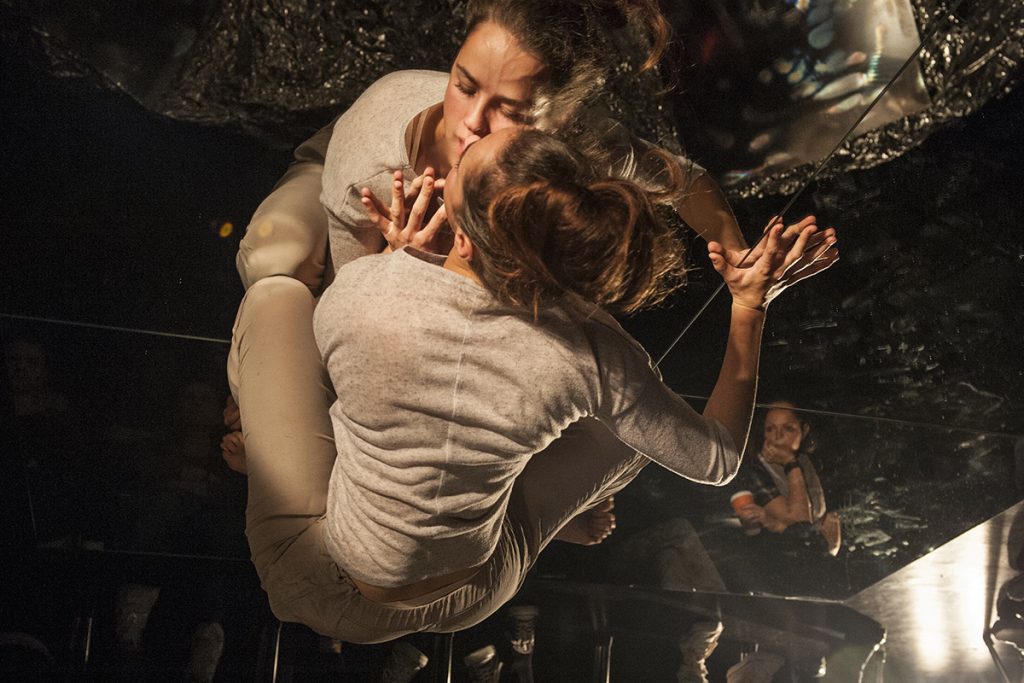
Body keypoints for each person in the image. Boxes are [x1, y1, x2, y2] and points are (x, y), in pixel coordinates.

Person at [228, 126, 838, 642]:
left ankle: (252, 440)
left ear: (460, 236)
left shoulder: (364, 292)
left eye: (458, 167)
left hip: (330, 585)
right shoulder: (595, 351)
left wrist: (397, 261)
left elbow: (359, 388)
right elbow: (718, 459)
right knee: (634, 426)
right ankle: (548, 511)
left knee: (275, 297)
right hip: (482, 586)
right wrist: (749, 307)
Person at [233, 0, 749, 297]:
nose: (472, 124)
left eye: (512, 110)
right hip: (332, 162)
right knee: (277, 260)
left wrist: (741, 259)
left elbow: (685, 180)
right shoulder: (373, 169)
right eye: (464, 85)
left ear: (558, 120)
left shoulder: (578, 140)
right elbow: (347, 304)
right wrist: (398, 264)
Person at [733, 401, 842, 556]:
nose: (777, 436)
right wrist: (790, 464)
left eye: (788, 428)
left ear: (804, 430)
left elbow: (832, 525)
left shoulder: (809, 460)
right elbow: (799, 525)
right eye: (770, 429)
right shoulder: (755, 470)